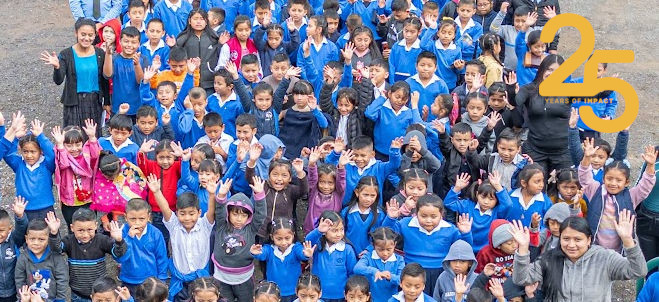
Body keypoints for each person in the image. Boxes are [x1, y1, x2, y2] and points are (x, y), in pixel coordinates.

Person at [510, 215, 648, 301]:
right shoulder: (549, 259)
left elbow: (638, 271)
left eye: (577, 239)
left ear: (589, 240)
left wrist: (628, 241)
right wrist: (522, 249)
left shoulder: (604, 258)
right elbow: (521, 278)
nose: (571, 245)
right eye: (566, 239)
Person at [384, 194, 473, 295]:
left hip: (439, 272)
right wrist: (390, 219)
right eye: (423, 216)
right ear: (416, 213)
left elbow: (464, 250)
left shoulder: (450, 229)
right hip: (411, 271)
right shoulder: (406, 224)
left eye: (434, 216)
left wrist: (466, 233)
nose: (428, 220)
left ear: (441, 215)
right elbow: (385, 236)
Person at [146, 174, 216, 301]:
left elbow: (211, 211)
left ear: (199, 213)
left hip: (200, 279)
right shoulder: (174, 225)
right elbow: (165, 208)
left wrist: (212, 195)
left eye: (191, 213)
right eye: (182, 214)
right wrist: (156, 191)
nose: (187, 218)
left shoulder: (205, 225)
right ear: (176, 213)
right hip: (179, 279)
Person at [579, 140, 656, 253]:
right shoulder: (595, 191)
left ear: (626, 182)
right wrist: (586, 157)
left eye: (619, 180)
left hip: (619, 253)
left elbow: (645, 185)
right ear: (603, 178)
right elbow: (584, 176)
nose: (613, 183)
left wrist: (650, 166)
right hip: (594, 249)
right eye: (609, 179)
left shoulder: (631, 196)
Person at [41, 18, 110, 137]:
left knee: (93, 137)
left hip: (94, 101)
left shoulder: (100, 53)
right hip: (74, 102)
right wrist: (57, 67)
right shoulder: (66, 54)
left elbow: (104, 80)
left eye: (90, 35)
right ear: (76, 33)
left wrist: (107, 102)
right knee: (73, 137)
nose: (86, 38)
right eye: (83, 34)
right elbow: (58, 80)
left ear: (95, 35)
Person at [45, 209, 127, 302]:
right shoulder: (69, 241)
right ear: (72, 228)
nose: (85, 234)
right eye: (80, 230)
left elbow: (118, 253)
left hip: (99, 295)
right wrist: (54, 233)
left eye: (89, 229)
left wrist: (119, 241)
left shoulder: (102, 240)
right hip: (77, 294)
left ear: (95, 226)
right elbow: (57, 249)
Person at [212, 177, 267, 301]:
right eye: (235, 214)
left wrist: (259, 195)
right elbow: (219, 210)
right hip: (221, 277)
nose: (238, 219)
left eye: (243, 215)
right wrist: (221, 195)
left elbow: (261, 215)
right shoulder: (222, 225)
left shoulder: (251, 228)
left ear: (249, 216)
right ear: (228, 213)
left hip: (244, 278)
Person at [515, 55, 571, 174]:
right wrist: (512, 90)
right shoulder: (529, 89)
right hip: (535, 149)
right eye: (549, 69)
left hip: (562, 152)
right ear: (542, 70)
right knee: (535, 188)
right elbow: (516, 101)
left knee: (566, 188)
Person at [445, 172, 512, 253]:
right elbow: (449, 203)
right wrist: (457, 188)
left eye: (491, 199)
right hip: (467, 248)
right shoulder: (468, 205)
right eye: (483, 197)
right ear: (477, 194)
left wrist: (498, 186)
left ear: (497, 200)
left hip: (488, 251)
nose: (486, 202)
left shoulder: (498, 212)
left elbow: (508, 204)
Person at [3, 118, 56, 221]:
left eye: (33, 151)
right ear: (21, 151)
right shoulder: (19, 164)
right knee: (26, 235)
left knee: (49, 234)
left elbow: (53, 154)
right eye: (25, 151)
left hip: (46, 208)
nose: (29, 155)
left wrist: (40, 136)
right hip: (24, 209)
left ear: (40, 151)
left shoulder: (46, 165)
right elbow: (8, 154)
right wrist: (16, 137)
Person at [250, 218, 315, 302]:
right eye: (279, 239)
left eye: (287, 238)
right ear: (272, 237)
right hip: (274, 292)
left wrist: (306, 254)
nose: (284, 242)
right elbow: (262, 254)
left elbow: (301, 254)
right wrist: (256, 253)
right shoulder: (269, 249)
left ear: (293, 235)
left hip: (293, 290)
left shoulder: (295, 248)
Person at [52, 121, 101, 228]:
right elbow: (64, 164)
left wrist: (92, 138)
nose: (74, 149)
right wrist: (60, 146)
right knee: (72, 227)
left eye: (78, 144)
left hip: (88, 198)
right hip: (69, 201)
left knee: (90, 226)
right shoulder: (60, 155)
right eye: (69, 145)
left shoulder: (86, 155)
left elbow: (96, 156)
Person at [115, 199, 168, 294]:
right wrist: (129, 238)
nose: (137, 223)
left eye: (141, 219)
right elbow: (120, 258)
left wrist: (162, 281)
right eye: (133, 219)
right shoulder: (122, 233)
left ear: (148, 217)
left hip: (151, 282)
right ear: (126, 217)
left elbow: (162, 259)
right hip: (128, 281)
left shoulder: (156, 234)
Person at [305, 212, 357, 301]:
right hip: (319, 294)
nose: (339, 234)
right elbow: (308, 241)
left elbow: (352, 273)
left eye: (341, 229)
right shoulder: (318, 246)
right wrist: (318, 231)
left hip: (340, 295)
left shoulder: (347, 249)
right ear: (325, 232)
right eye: (334, 230)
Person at [15, 219, 69, 302]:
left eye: (41, 239)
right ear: (26, 239)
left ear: (48, 239)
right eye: (32, 239)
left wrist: (60, 299)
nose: (36, 243)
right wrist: (21, 298)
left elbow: (62, 279)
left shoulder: (56, 257)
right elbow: (19, 280)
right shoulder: (23, 258)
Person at [103, 26, 148, 117]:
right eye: (126, 41)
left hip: (137, 108)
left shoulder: (143, 59)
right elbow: (107, 75)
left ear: (139, 44)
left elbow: (141, 81)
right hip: (118, 107)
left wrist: (137, 65)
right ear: (120, 41)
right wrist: (108, 55)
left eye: (133, 42)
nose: (129, 45)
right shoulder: (115, 58)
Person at [304, 146, 349, 234]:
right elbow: (312, 179)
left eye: (330, 183)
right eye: (322, 182)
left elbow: (341, 181)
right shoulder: (314, 191)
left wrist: (341, 167)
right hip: (312, 230)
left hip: (332, 232)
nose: (325, 186)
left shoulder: (338, 193)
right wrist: (312, 164)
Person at [353, 227, 405, 302]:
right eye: (380, 249)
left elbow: (402, 280)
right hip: (371, 299)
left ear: (395, 244)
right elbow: (357, 268)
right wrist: (374, 271)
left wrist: (390, 277)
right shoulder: (368, 256)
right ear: (373, 245)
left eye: (389, 249)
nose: (385, 253)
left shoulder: (399, 259)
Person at [176, 8, 220, 93]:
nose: (198, 22)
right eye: (195, 19)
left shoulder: (214, 38)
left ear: (206, 22)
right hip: (189, 80)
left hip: (209, 82)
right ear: (189, 21)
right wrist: (172, 46)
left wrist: (221, 44)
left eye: (202, 19)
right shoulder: (182, 39)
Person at [341, 177, 385, 255]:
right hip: (348, 253)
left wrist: (369, 249)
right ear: (357, 192)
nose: (368, 199)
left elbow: (382, 236)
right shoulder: (346, 212)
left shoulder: (380, 214)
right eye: (365, 195)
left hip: (370, 254)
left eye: (372, 196)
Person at [0, 198, 28, 302]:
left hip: (14, 291)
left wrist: (20, 216)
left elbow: (22, 229)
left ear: (10, 229)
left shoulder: (13, 240)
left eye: (1, 230)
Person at [637, 145, 659, 260]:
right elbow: (640, 185)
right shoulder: (654, 155)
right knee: (649, 265)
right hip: (646, 218)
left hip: (647, 216)